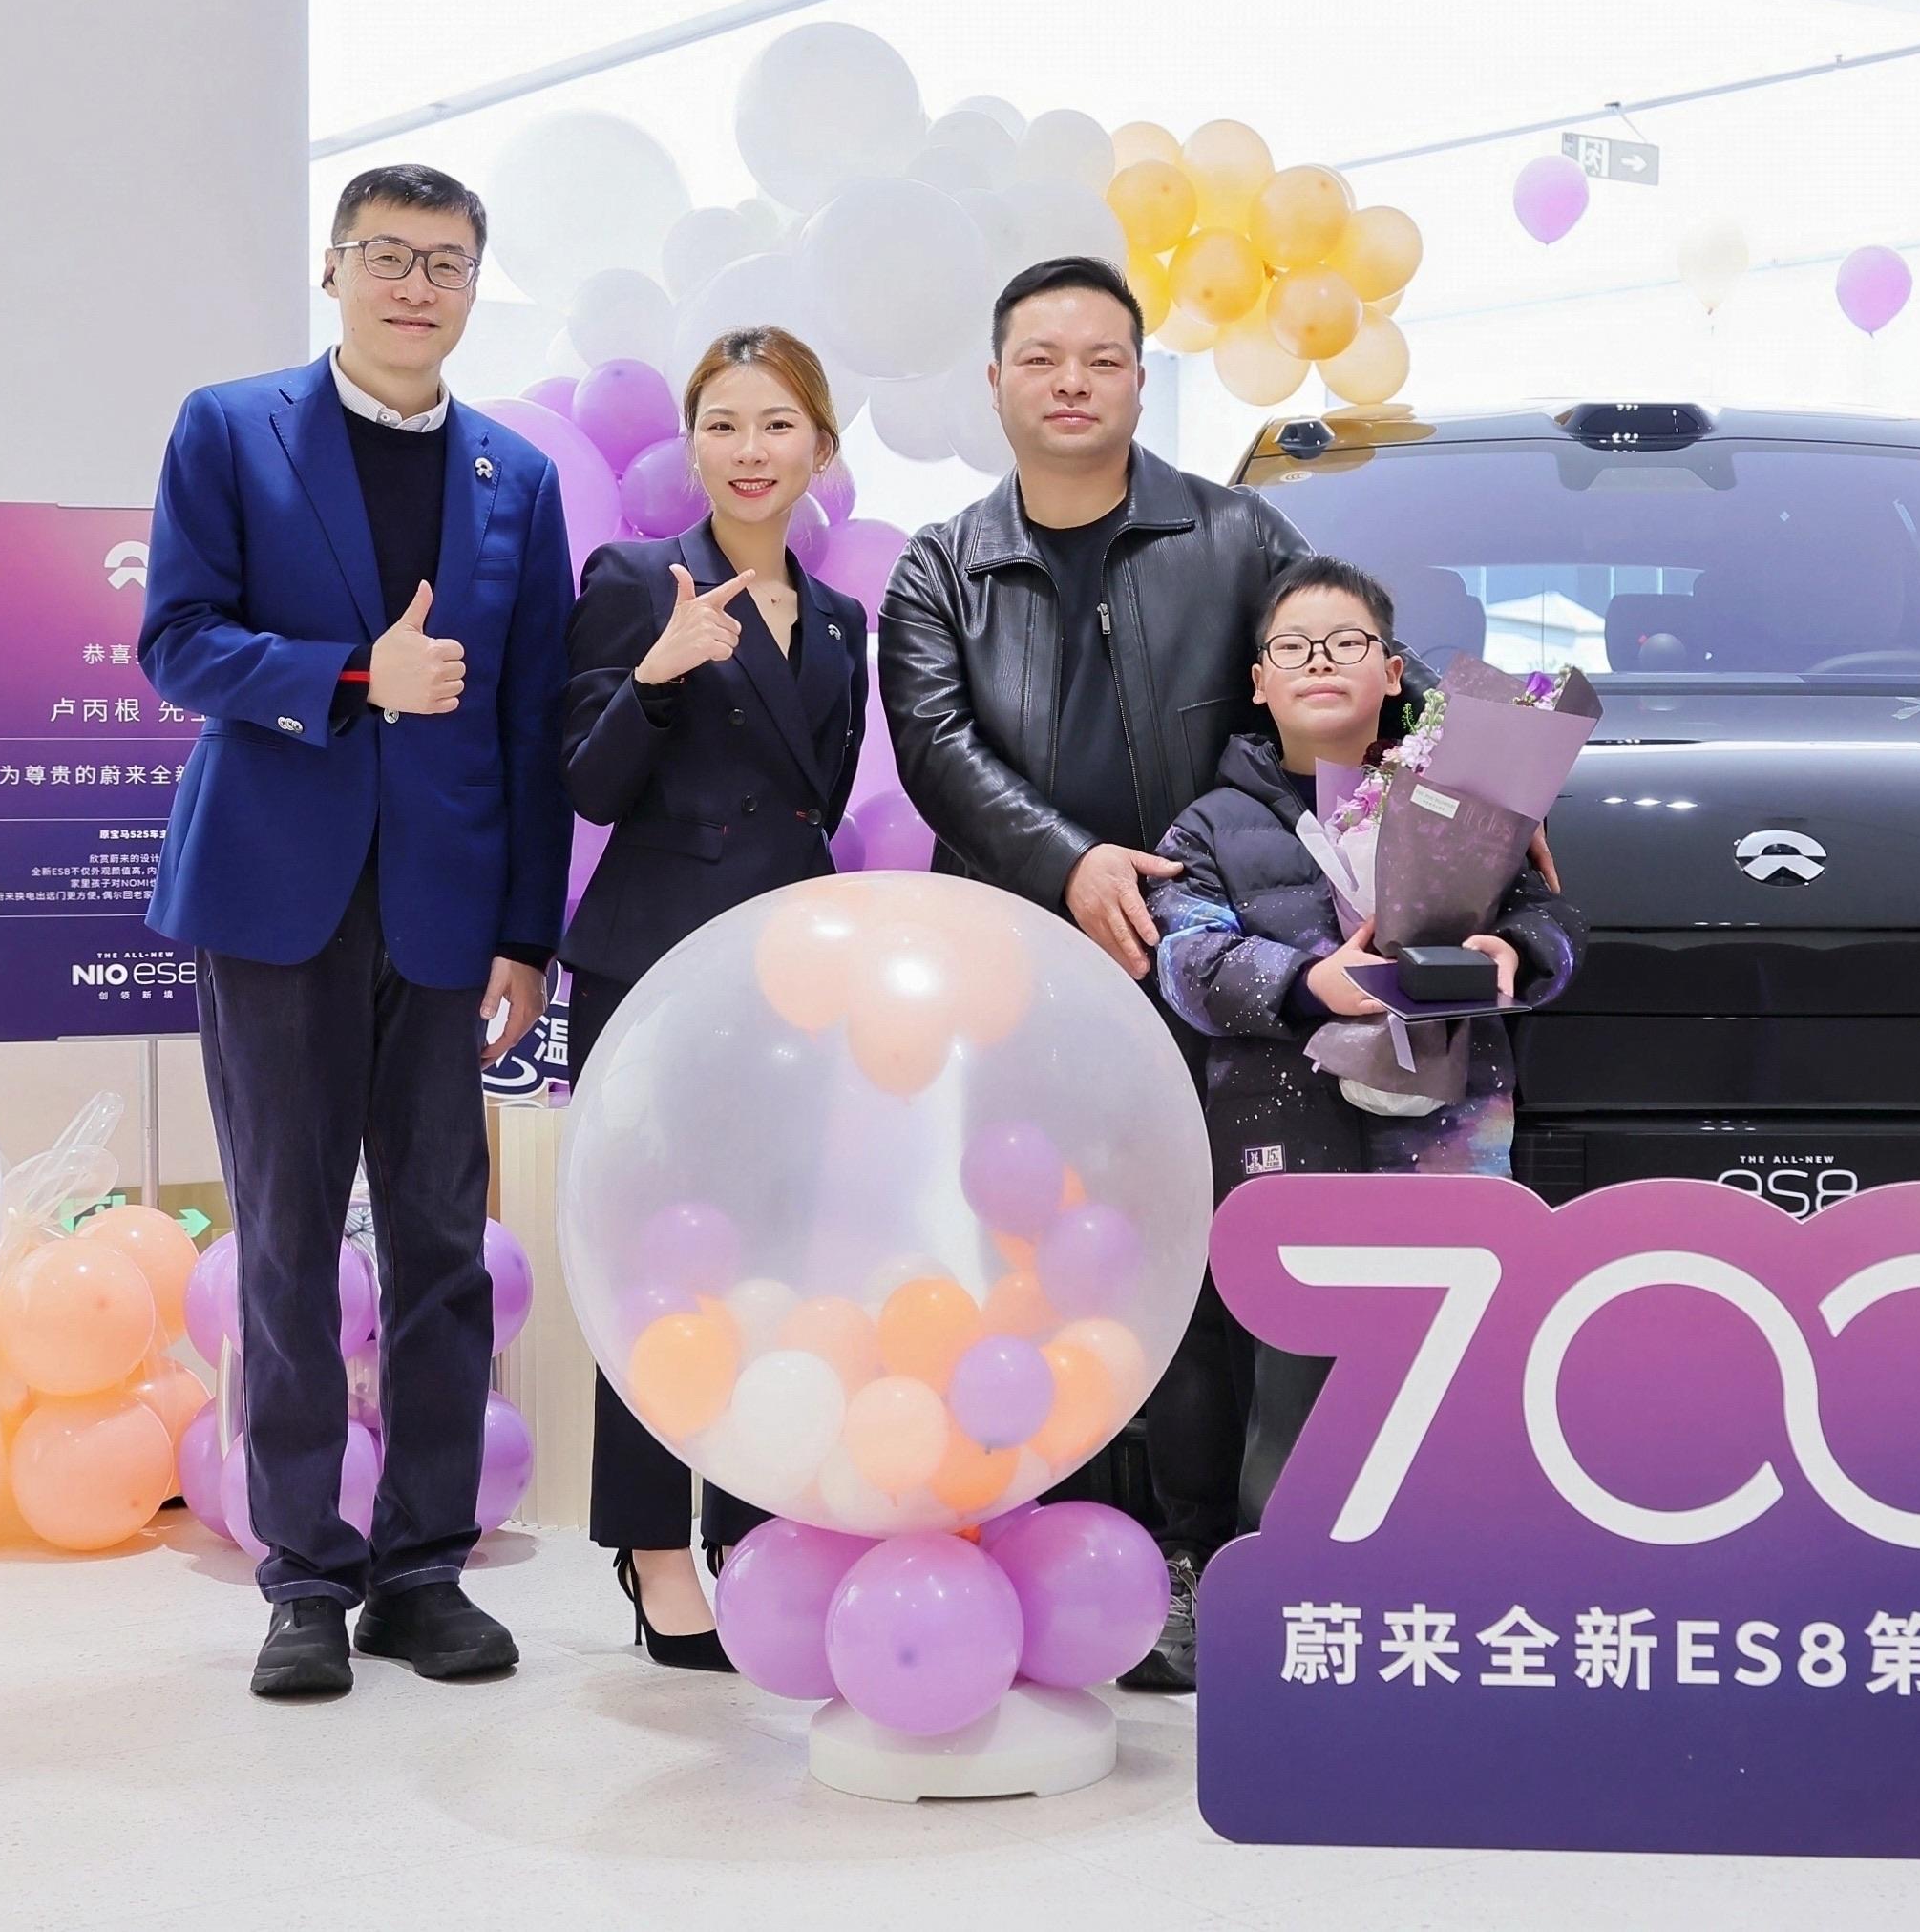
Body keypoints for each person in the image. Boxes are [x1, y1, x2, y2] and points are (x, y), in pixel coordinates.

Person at [139, 162, 570, 1699]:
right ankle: (307, 1575)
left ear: (473, 287)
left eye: (445, 262)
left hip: (447, 911)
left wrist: (527, 931)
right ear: (332, 270)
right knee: (287, 1237)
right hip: (274, 897)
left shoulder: (518, 474)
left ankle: (422, 1566)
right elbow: (176, 640)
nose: (414, 285)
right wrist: (346, 676)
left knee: (443, 1243)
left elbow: (529, 718)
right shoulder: (229, 427)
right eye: (387, 254)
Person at [880, 254, 1321, 1692]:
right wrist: (1071, 865)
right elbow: (936, 749)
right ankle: (1032, 1547)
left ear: (1139, 377)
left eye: (1101, 357)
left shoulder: (1240, 536)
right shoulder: (941, 567)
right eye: (1041, 356)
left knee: (1198, 1268)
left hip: (1203, 966)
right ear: (995, 380)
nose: (1070, 380)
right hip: (1015, 970)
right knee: (1025, 1265)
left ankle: (1200, 1559)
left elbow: (1341, 674)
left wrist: (1477, 792)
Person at [1144, 557, 1584, 1529]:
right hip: (1285, 1144)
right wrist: (1308, 985)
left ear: (1391, 673)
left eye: (1347, 643)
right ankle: (1292, 1575)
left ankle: (1450, 1570)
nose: (1320, 661)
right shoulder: (1209, 826)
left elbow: (1553, 921)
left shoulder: (1470, 805)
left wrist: (1511, 952)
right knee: (1293, 1385)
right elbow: (1186, 958)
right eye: (1293, 647)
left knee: (1455, 1361)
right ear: (1258, 681)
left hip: (1447, 1137)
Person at [555, 327, 866, 1671]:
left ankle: (747, 1517)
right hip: (654, 973)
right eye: (724, 424)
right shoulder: (637, 579)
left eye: (778, 424)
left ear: (820, 447)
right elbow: (583, 780)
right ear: (690, 444)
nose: (750, 451)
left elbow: (819, 803)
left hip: (788, 977)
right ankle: (650, 1542)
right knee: (657, 1264)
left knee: (773, 1262)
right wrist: (656, 674)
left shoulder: (841, 617)